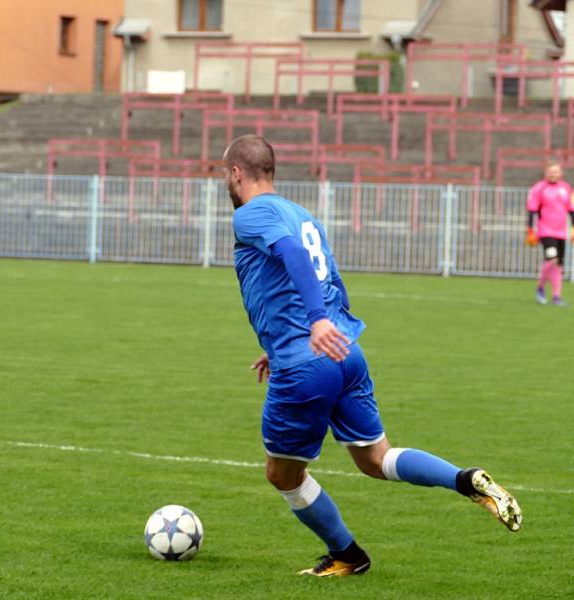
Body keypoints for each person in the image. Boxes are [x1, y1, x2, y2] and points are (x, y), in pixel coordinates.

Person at [224, 134, 522, 578]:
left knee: (283, 475)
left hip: (308, 361)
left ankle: (348, 554)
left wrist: (312, 326)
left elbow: (289, 256)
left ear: (236, 174)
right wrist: (315, 330)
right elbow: (330, 282)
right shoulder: (304, 216)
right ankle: (465, 479)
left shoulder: (250, 214)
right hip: (346, 354)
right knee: (375, 459)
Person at [525, 161, 574, 307]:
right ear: (546, 173)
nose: (553, 174)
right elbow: (532, 210)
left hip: (561, 232)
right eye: (550, 171)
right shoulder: (539, 188)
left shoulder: (566, 188)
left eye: (556, 171)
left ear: (561, 174)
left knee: (558, 264)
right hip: (546, 231)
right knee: (552, 259)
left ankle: (556, 296)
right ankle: (540, 287)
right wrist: (530, 230)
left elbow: (571, 210)